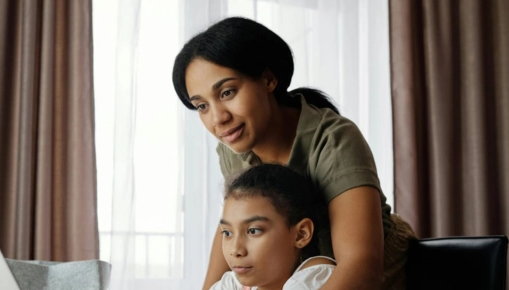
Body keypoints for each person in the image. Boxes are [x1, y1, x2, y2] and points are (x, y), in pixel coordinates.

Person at [172, 17, 417, 290]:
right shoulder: (233, 146)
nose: (218, 118)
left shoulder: (333, 140)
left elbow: (361, 267)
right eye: (202, 106)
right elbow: (233, 224)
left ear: (268, 79)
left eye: (228, 92)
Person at [210, 164, 336, 290]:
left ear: (301, 234)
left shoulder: (315, 277)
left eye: (253, 231)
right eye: (227, 233)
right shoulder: (233, 284)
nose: (235, 250)